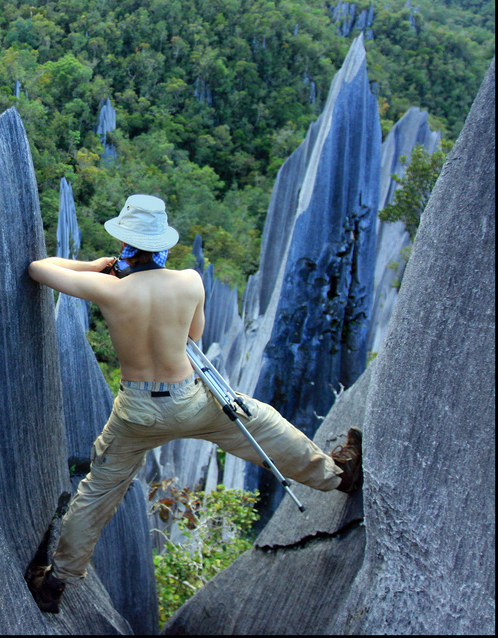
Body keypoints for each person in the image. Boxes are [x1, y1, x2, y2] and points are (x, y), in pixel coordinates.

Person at [25, 194, 363, 614]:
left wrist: (95, 266)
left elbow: (38, 269)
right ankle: (336, 476)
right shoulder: (189, 281)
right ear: (162, 244)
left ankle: (56, 581)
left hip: (136, 412)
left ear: (126, 245)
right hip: (190, 400)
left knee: (97, 491)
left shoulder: (109, 289)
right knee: (260, 422)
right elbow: (195, 335)